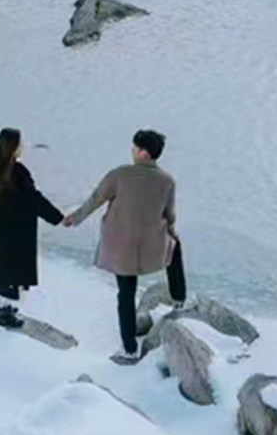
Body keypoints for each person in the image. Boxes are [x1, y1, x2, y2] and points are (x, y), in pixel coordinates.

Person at [63, 128, 186, 361]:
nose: (132, 151)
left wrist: (74, 219)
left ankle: (129, 349)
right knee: (175, 248)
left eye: (134, 148)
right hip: (151, 245)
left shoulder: (119, 175)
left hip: (120, 248)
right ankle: (179, 300)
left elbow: (95, 200)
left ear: (142, 152)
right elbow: (170, 216)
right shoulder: (167, 181)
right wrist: (170, 234)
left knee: (126, 295)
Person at [0, 127, 65, 327]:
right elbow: (32, 199)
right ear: (12, 147)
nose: (22, 147)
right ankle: (7, 313)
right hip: (15, 233)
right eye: (19, 144)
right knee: (13, 272)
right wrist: (58, 217)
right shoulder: (16, 171)